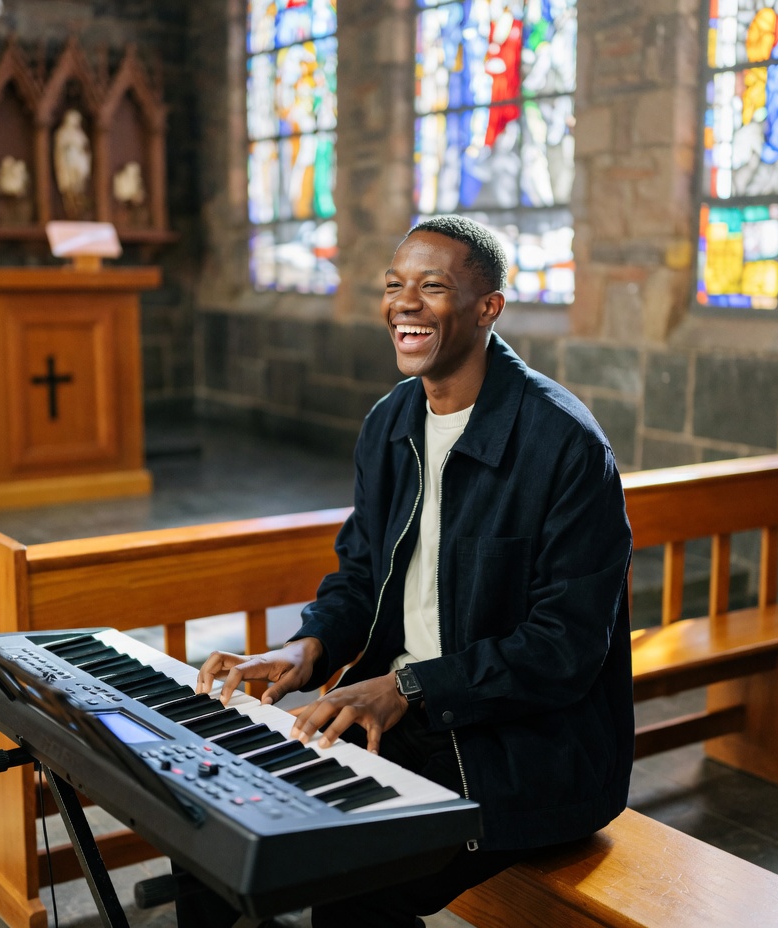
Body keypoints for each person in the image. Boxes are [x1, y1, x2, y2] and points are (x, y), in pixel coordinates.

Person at [196, 214, 634, 927]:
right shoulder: (389, 422)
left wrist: (407, 686)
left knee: (350, 882)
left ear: (488, 307)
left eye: (433, 287)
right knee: (213, 819)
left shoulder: (563, 442)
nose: (405, 302)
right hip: (407, 715)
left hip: (526, 748)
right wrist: (305, 650)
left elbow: (565, 647)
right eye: (395, 285)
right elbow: (360, 575)